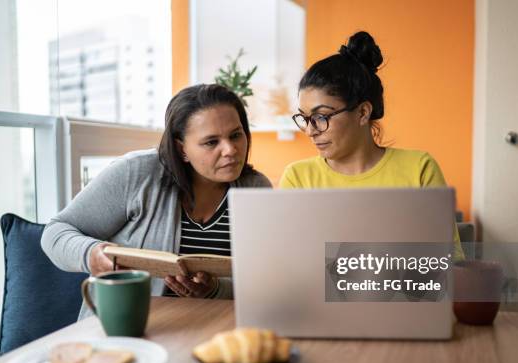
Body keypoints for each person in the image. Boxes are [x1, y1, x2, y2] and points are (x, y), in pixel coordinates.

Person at [42, 84, 271, 319]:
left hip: (214, 330)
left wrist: (215, 289)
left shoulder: (257, 189)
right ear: (182, 149)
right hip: (126, 329)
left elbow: (266, 282)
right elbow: (55, 233)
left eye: (236, 135)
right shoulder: (136, 172)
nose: (230, 150)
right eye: (211, 142)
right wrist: (90, 255)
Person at [279, 31, 464, 259]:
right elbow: (287, 265)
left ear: (362, 112)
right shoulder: (298, 178)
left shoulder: (419, 169)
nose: (310, 130)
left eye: (321, 117)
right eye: (304, 118)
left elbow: (448, 264)